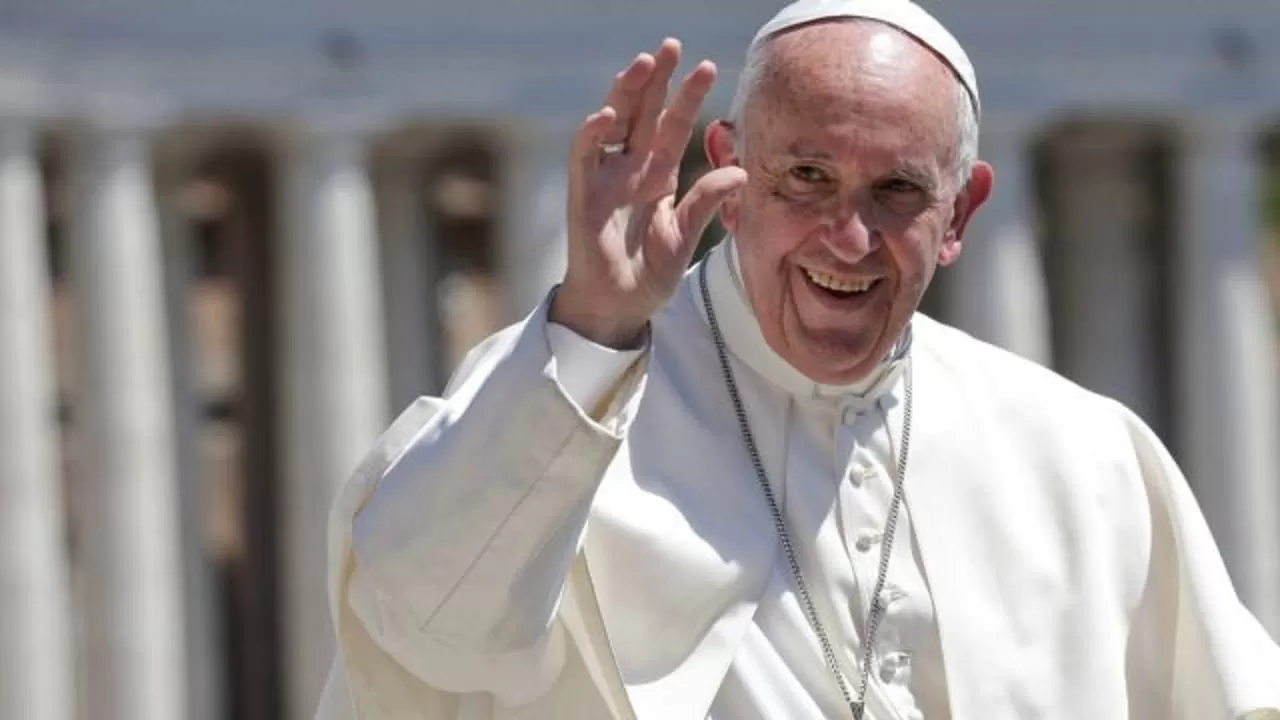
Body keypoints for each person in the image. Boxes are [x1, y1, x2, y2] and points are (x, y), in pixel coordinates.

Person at [314, 0, 1280, 718]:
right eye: (806, 177)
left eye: (898, 191)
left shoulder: (1084, 456)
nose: (848, 238)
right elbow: (425, 627)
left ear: (961, 214)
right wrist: (593, 326)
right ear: (730, 173)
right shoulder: (558, 396)